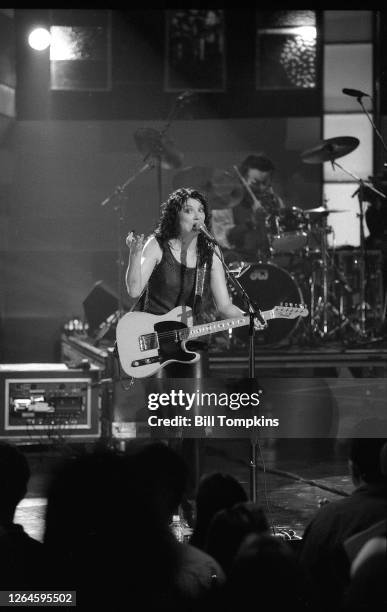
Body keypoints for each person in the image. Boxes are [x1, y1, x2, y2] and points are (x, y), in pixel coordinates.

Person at [125, 186, 264, 377]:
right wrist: (134, 255)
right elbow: (134, 290)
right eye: (189, 210)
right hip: (155, 342)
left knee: (194, 404)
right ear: (175, 216)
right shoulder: (157, 245)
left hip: (192, 342)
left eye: (201, 210)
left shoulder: (211, 253)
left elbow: (224, 306)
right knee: (160, 404)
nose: (197, 216)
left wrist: (247, 318)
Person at [227, 154, 285, 262]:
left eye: (265, 183)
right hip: (239, 263)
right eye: (255, 183)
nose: (261, 188)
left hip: (270, 261)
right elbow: (225, 240)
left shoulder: (276, 202)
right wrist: (251, 223)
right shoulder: (228, 203)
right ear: (243, 179)